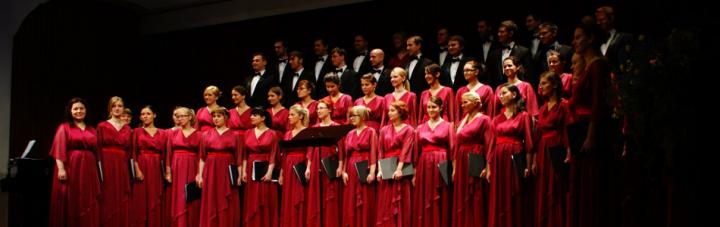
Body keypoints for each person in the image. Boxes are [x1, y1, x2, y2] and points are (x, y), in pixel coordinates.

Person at [567, 23, 617, 227]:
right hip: (580, 131)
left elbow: (598, 103)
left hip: (591, 132)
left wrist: (591, 136)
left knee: (591, 186)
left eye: (578, 37)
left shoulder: (598, 65)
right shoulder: (588, 65)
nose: (574, 42)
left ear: (591, 39)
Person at [49, 98, 101, 227]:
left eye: (81, 108)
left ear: (86, 111)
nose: (79, 111)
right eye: (75, 109)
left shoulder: (92, 129)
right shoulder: (64, 128)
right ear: (70, 111)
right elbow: (59, 149)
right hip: (72, 166)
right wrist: (61, 169)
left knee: (87, 197)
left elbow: (97, 152)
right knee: (72, 198)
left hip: (89, 168)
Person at [488, 84, 534, 227]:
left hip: (516, 156)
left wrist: (528, 165)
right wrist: (488, 167)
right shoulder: (496, 119)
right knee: (499, 194)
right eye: (499, 94)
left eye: (504, 93)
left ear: (514, 95)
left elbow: (529, 142)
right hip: (498, 158)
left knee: (516, 193)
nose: (500, 96)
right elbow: (491, 144)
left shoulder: (523, 115)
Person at [533, 72, 571, 227]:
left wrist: (569, 152)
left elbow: (567, 130)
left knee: (556, 186)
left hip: (557, 147)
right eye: (540, 84)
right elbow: (538, 134)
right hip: (543, 150)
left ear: (555, 85)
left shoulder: (564, 105)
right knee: (544, 187)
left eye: (544, 83)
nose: (540, 87)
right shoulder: (542, 108)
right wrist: (535, 158)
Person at [451, 92, 494, 227]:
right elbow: (457, 145)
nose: (462, 105)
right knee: (462, 195)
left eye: (465, 102)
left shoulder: (484, 119)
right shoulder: (463, 120)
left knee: (476, 194)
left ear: (475, 103)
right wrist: (455, 168)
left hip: (476, 157)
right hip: (462, 158)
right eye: (462, 102)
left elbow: (489, 144)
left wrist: (488, 167)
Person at [196, 107, 242, 227]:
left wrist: (239, 175)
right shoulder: (205, 134)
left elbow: (239, 158)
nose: (215, 119)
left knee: (227, 198)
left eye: (219, 116)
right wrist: (200, 175)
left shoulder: (235, 135)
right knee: (211, 198)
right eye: (214, 116)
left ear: (226, 118)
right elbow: (202, 157)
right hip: (211, 169)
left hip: (227, 170)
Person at [413, 96, 454, 227]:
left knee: (440, 196)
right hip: (424, 164)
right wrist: (414, 172)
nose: (430, 110)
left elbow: (452, 148)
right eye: (429, 107)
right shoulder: (420, 128)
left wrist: (454, 169)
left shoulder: (448, 126)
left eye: (434, 107)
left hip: (441, 162)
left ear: (441, 108)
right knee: (424, 197)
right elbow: (416, 151)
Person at [376, 101, 415, 227]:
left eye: (392, 110)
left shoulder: (409, 129)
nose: (389, 113)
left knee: (400, 200)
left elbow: (406, 150)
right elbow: (380, 151)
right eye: (389, 110)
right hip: (387, 165)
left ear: (400, 112)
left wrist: (399, 169)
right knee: (386, 202)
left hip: (401, 166)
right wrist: (380, 170)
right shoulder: (384, 130)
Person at [305, 99, 343, 227]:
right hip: (316, 160)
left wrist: (340, 166)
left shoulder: (336, 127)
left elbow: (341, 148)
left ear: (330, 110)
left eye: (321, 108)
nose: (319, 111)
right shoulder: (314, 128)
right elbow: (310, 148)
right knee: (316, 192)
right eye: (317, 109)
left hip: (330, 160)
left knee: (330, 192)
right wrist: (308, 167)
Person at [97, 96, 133, 227]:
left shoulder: (128, 129)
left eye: (120, 106)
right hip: (107, 163)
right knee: (108, 194)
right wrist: (99, 169)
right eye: (114, 106)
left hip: (122, 164)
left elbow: (130, 152)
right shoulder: (102, 126)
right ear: (110, 109)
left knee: (121, 194)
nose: (117, 109)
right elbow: (98, 149)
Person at [241, 107, 281, 227]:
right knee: (251, 199)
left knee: (265, 198)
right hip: (250, 167)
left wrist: (269, 172)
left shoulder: (272, 133)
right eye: (251, 115)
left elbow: (274, 154)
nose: (251, 117)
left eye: (255, 115)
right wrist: (243, 171)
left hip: (266, 166)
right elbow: (244, 154)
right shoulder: (247, 133)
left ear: (263, 118)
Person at [341, 105, 378, 227]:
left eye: (354, 116)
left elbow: (373, 152)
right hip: (351, 168)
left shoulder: (371, 131)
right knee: (351, 200)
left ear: (362, 117)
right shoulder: (350, 133)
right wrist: (344, 171)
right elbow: (347, 154)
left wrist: (372, 172)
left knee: (365, 199)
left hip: (365, 166)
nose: (351, 118)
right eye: (350, 116)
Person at [130, 106, 167, 227]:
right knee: (141, 198)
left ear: (154, 115)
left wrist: (166, 172)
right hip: (142, 164)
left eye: (148, 113)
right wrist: (137, 169)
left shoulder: (163, 132)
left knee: (155, 197)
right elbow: (133, 153)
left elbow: (165, 154)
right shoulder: (136, 131)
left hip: (156, 167)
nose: (145, 116)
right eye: (142, 114)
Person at [166, 107, 201, 227]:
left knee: (191, 196)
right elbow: (168, 154)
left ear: (190, 117)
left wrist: (199, 173)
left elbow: (201, 156)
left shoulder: (200, 134)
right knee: (178, 197)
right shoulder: (173, 133)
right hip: (177, 166)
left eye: (182, 116)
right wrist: (168, 171)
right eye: (177, 116)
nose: (179, 119)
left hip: (192, 166)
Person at [280, 105, 311, 227]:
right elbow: (284, 154)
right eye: (289, 115)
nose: (289, 117)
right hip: (288, 165)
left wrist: (308, 168)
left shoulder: (307, 131)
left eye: (292, 115)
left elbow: (310, 151)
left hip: (300, 164)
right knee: (288, 196)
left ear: (301, 116)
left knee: (300, 195)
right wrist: (282, 173)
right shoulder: (287, 134)